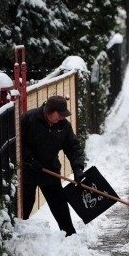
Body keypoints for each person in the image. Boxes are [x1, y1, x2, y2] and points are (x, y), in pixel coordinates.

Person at [21, 95, 85, 236]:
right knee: (25, 206)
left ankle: (70, 235)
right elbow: (19, 143)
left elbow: (73, 147)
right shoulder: (29, 119)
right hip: (29, 171)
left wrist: (78, 168)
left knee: (59, 204)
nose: (62, 118)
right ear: (49, 111)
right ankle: (19, 237)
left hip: (50, 169)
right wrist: (29, 160)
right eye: (60, 114)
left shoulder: (63, 126)